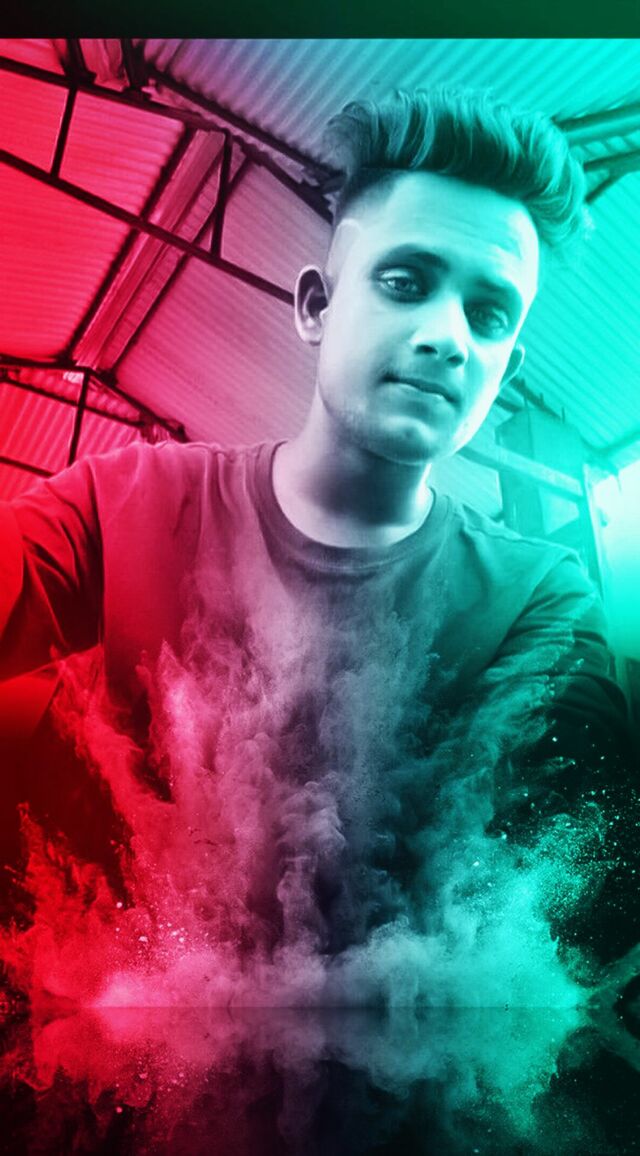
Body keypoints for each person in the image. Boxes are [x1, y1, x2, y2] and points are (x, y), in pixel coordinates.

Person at [0, 89, 635, 981]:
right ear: (315, 306)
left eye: (489, 315)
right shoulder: (126, 502)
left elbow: (581, 897)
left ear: (508, 369)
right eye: (405, 283)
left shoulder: (540, 598)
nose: (448, 336)